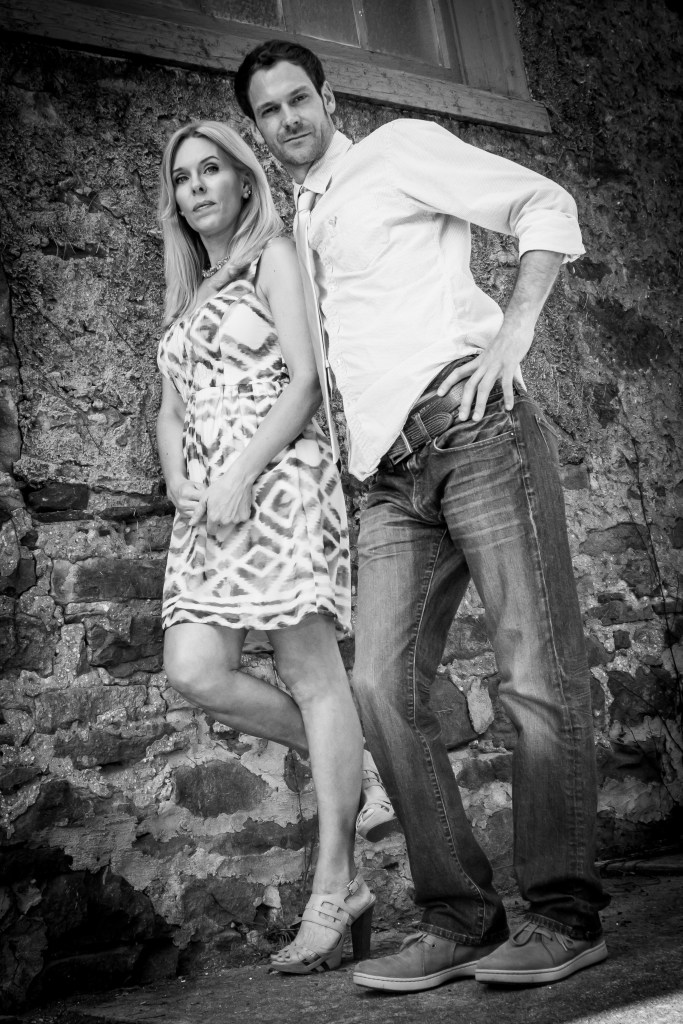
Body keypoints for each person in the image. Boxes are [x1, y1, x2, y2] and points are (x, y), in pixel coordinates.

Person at [234, 41, 610, 992]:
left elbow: (543, 205)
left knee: (533, 673)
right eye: (268, 110)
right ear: (258, 127)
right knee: (379, 687)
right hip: (386, 480)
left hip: (471, 429)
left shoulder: (396, 149)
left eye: (298, 99)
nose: (287, 119)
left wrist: (514, 332)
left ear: (328, 97)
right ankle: (460, 918)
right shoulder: (299, 220)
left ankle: (564, 917)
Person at [156, 120, 379, 975]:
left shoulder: (271, 258)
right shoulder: (189, 292)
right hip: (205, 504)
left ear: (244, 181)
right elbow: (169, 409)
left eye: (211, 170)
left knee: (311, 674)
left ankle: (335, 886)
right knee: (194, 670)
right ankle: (358, 765)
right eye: (183, 178)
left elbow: (307, 378)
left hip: (278, 477)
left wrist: (241, 474)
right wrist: (179, 480)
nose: (197, 187)